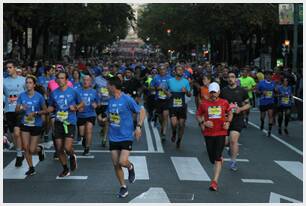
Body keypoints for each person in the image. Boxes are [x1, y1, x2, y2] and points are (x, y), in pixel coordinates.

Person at [106, 77, 146, 198]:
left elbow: (142, 111)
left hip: (126, 136)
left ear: (113, 86)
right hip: (113, 136)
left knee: (122, 161)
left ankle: (130, 166)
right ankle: (123, 187)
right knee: (116, 164)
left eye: (108, 85)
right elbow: (111, 117)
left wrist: (138, 126)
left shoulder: (127, 99)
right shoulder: (110, 101)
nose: (106, 87)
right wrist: (104, 120)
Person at [196, 82, 233, 191]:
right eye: (211, 92)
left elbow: (230, 112)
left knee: (217, 156)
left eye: (215, 92)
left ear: (219, 92)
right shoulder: (204, 103)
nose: (213, 94)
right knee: (212, 158)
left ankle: (214, 181)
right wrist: (203, 123)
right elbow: (198, 115)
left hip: (221, 132)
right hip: (208, 133)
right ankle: (219, 159)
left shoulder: (224, 102)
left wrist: (228, 122)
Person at [47, 71, 84, 177]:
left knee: (67, 147)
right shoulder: (54, 93)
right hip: (58, 122)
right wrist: (46, 111)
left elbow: (82, 103)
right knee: (59, 148)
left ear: (66, 80)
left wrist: (76, 107)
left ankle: (72, 155)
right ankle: (65, 169)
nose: (60, 80)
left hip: (70, 122)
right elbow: (51, 106)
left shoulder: (73, 91)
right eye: (58, 78)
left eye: (62, 78)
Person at [15, 75, 47, 175]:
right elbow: (16, 110)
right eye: (27, 82)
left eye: (30, 82)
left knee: (32, 149)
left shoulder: (39, 96)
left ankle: (39, 149)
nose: (28, 84)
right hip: (25, 124)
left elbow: (45, 110)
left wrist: (37, 113)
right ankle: (31, 168)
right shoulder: (21, 95)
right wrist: (21, 108)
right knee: (26, 147)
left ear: (34, 84)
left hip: (36, 124)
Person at [220, 71, 250, 171]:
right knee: (224, 142)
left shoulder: (242, 91)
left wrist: (240, 109)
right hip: (226, 118)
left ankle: (233, 162)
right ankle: (231, 149)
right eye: (228, 77)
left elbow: (248, 104)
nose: (230, 79)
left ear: (236, 79)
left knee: (233, 141)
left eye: (232, 77)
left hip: (237, 118)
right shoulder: (223, 91)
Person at [4, 60, 26, 167]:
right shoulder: (3, 81)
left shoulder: (23, 80)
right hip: (9, 110)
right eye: (6, 68)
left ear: (15, 68)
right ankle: (19, 152)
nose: (8, 69)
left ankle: (18, 155)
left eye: (10, 67)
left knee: (17, 133)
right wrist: (5, 99)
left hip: (20, 110)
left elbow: (29, 93)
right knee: (13, 134)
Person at [167, 65, 191, 148]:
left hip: (182, 105)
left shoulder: (186, 82)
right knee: (174, 124)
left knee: (181, 125)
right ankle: (174, 133)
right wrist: (167, 93)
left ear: (183, 72)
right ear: (175, 71)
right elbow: (165, 89)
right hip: (172, 104)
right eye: (178, 70)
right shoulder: (170, 81)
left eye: (181, 70)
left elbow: (189, 94)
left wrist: (186, 91)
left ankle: (179, 140)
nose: (180, 71)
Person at [76, 75, 98, 155]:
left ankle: (87, 148)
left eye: (87, 80)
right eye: (84, 80)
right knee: (82, 133)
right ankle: (84, 139)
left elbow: (98, 103)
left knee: (89, 130)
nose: (85, 82)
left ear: (90, 82)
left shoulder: (94, 91)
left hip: (91, 114)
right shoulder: (77, 91)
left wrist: (95, 105)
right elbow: (74, 102)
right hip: (81, 115)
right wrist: (77, 107)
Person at [150, 65, 172, 141]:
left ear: (166, 70)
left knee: (165, 115)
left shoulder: (170, 78)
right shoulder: (156, 78)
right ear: (159, 70)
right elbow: (151, 87)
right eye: (161, 69)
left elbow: (172, 88)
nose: (162, 71)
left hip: (166, 99)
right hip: (158, 99)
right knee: (160, 117)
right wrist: (157, 88)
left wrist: (168, 91)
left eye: (164, 69)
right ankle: (162, 126)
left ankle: (164, 132)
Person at [257, 70, 276, 137]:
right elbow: (257, 91)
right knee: (262, 117)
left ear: (271, 76)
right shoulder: (261, 82)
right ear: (265, 76)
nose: (268, 76)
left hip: (271, 101)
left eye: (269, 75)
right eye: (267, 75)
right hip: (263, 101)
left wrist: (276, 92)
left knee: (270, 115)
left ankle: (269, 131)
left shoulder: (274, 83)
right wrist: (262, 92)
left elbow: (276, 91)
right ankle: (262, 123)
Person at [94, 68, 110, 147]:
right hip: (99, 103)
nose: (105, 72)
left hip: (108, 102)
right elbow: (92, 89)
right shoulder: (96, 79)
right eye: (104, 70)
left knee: (106, 121)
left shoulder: (111, 79)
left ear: (109, 72)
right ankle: (103, 129)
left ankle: (104, 139)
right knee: (100, 121)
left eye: (107, 71)